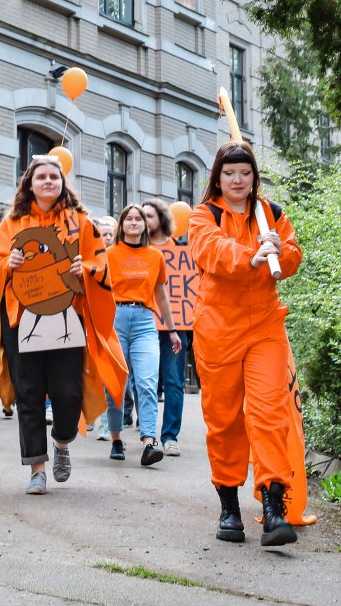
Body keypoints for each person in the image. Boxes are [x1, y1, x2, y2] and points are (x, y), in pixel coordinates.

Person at [0, 156, 126, 495]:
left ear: (63, 183)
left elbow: (100, 262)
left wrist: (86, 269)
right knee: (29, 393)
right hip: (22, 317)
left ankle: (62, 442)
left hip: (67, 317)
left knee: (67, 393)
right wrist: (9, 263)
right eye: (41, 177)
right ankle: (36, 468)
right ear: (29, 184)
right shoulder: (14, 221)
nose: (48, 181)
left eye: (54, 176)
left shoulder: (80, 221)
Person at [188, 141, 302, 547]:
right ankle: (229, 506)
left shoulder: (270, 213)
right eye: (230, 174)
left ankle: (274, 508)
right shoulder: (204, 215)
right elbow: (209, 250)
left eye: (245, 173)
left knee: (270, 413)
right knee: (224, 421)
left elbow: (291, 255)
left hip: (265, 327)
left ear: (254, 177)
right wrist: (250, 257)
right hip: (217, 329)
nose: (238, 181)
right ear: (218, 178)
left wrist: (279, 253)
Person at [105, 204, 181, 465]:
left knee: (147, 382)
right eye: (129, 219)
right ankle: (116, 438)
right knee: (115, 384)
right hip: (114, 319)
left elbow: (161, 294)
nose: (135, 222)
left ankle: (149, 442)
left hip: (145, 321)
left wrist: (172, 330)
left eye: (139, 218)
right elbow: (97, 292)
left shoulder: (155, 256)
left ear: (145, 225)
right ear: (122, 224)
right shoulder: (108, 254)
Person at [142, 198, 188, 457]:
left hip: (175, 325)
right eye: (142, 215)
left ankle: (170, 435)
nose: (146, 220)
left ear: (161, 218)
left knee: (173, 381)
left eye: (149, 215)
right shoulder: (135, 250)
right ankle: (146, 428)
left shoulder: (182, 250)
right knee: (145, 379)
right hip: (145, 322)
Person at [90, 216, 134, 441]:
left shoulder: (120, 257)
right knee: (92, 370)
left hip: (116, 320)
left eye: (110, 233)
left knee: (112, 372)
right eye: (102, 233)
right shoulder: (90, 258)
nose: (106, 237)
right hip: (92, 320)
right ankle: (90, 414)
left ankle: (108, 422)